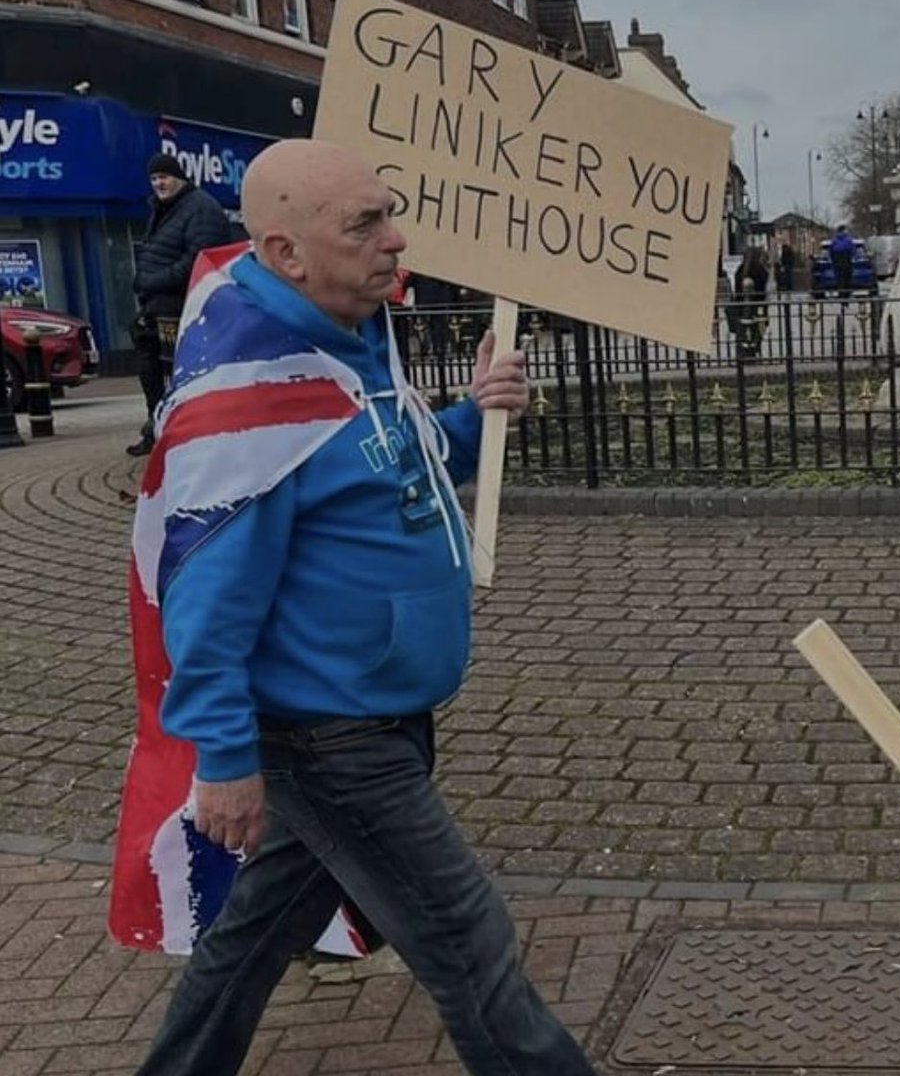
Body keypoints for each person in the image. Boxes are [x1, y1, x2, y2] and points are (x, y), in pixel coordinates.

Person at [127, 139, 599, 1076]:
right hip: (330, 737)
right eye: (366, 224)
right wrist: (222, 758)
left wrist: (473, 417)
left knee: (254, 939)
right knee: (471, 946)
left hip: (371, 716)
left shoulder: (346, 342)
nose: (397, 239)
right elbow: (205, 603)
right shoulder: (251, 399)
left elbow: (393, 467)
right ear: (285, 252)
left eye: (390, 211)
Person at [126, 152, 231, 456]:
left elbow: (200, 259)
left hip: (184, 306)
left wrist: (153, 280)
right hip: (157, 305)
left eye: (165, 177)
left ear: (180, 177)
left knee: (182, 373)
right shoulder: (165, 209)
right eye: (154, 178)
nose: (159, 183)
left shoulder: (200, 208)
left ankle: (187, 433)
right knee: (150, 369)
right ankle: (157, 428)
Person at [830, 224, 855, 301]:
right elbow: (853, 250)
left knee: (840, 279)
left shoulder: (834, 241)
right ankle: (847, 296)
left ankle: (841, 295)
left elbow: (831, 252)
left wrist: (833, 260)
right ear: (844, 230)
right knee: (847, 278)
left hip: (837, 261)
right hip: (847, 260)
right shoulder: (848, 240)